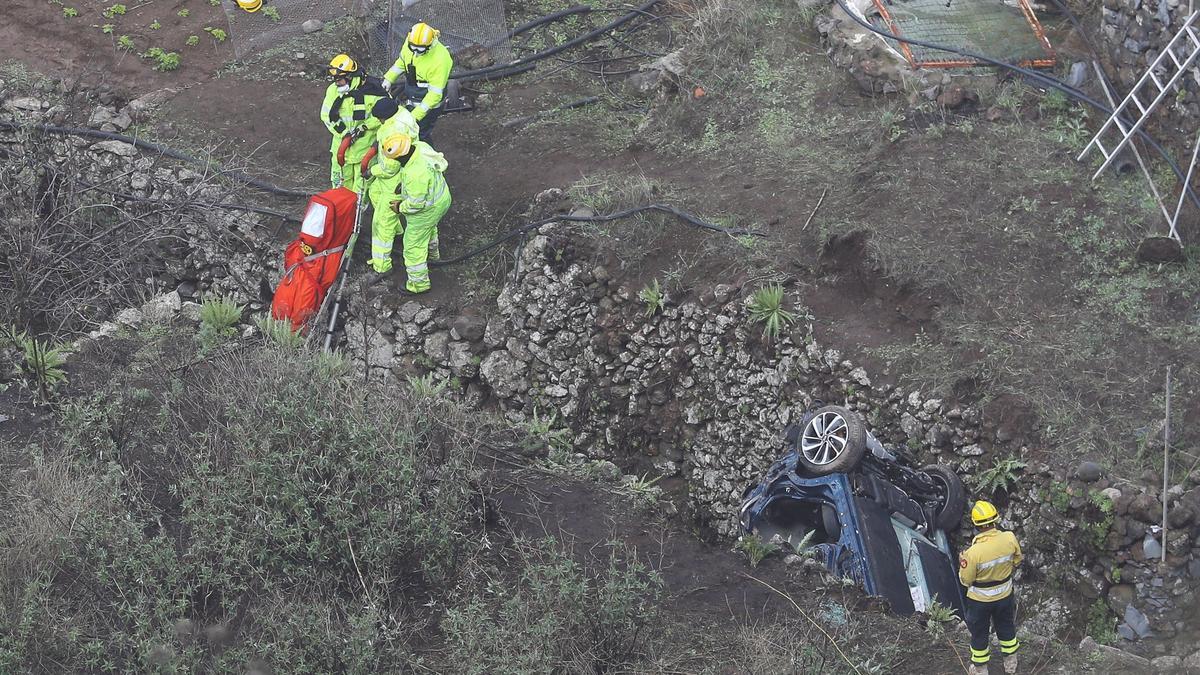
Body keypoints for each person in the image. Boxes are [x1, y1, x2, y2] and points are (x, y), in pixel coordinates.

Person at [364, 132, 451, 294]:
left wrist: (400, 207)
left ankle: (418, 284)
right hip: (441, 198)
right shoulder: (420, 147)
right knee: (430, 229)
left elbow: (416, 204)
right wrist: (404, 187)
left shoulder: (414, 174)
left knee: (412, 247)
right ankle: (433, 257)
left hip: (427, 210)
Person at [959, 500, 1022, 675]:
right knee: (1006, 627)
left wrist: (962, 563)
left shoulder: (972, 553)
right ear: (995, 519)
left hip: (980, 601)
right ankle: (1011, 663)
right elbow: (1017, 560)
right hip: (1005, 596)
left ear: (975, 524)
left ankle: (980, 669)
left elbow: (966, 580)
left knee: (979, 633)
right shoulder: (1009, 538)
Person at [320, 54, 388, 191]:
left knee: (360, 190)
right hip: (341, 149)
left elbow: (385, 114)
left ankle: (357, 212)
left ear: (350, 76)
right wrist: (344, 133)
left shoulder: (372, 91)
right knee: (339, 187)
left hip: (364, 149)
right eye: (335, 79)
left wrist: (364, 127)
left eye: (340, 79)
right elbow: (326, 115)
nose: (336, 83)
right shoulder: (333, 91)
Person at [382, 22, 454, 141]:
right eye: (413, 48)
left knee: (420, 134)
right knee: (413, 130)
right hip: (413, 94)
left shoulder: (441, 59)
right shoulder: (413, 40)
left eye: (420, 50)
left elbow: (434, 95)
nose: (415, 52)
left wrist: (415, 116)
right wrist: (389, 78)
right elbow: (402, 61)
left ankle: (428, 157)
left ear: (430, 45)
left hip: (429, 103)